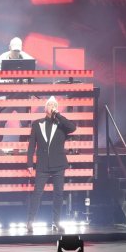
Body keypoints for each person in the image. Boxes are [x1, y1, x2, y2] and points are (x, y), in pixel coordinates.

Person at [26, 96, 76, 233]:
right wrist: (29, 163)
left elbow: (73, 127)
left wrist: (58, 115)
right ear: (45, 108)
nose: (52, 106)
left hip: (59, 164)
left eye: (55, 105)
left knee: (58, 194)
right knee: (37, 193)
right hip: (42, 165)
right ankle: (30, 221)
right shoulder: (37, 124)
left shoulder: (62, 125)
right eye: (50, 105)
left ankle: (57, 221)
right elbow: (31, 146)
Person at [0, 37, 34, 144]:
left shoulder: (28, 59)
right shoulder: (1, 60)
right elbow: (0, 80)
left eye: (17, 51)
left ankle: (24, 144)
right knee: (1, 121)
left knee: (25, 122)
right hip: (7, 96)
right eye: (14, 50)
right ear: (9, 48)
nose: (16, 53)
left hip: (22, 96)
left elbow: (31, 78)